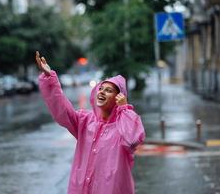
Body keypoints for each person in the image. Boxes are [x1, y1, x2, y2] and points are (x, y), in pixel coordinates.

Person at [35, 51, 145, 194]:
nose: (102, 92)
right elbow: (61, 110)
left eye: (109, 90)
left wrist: (124, 109)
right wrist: (50, 78)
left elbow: (133, 139)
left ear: (119, 97)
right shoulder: (85, 121)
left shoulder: (123, 125)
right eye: (101, 89)